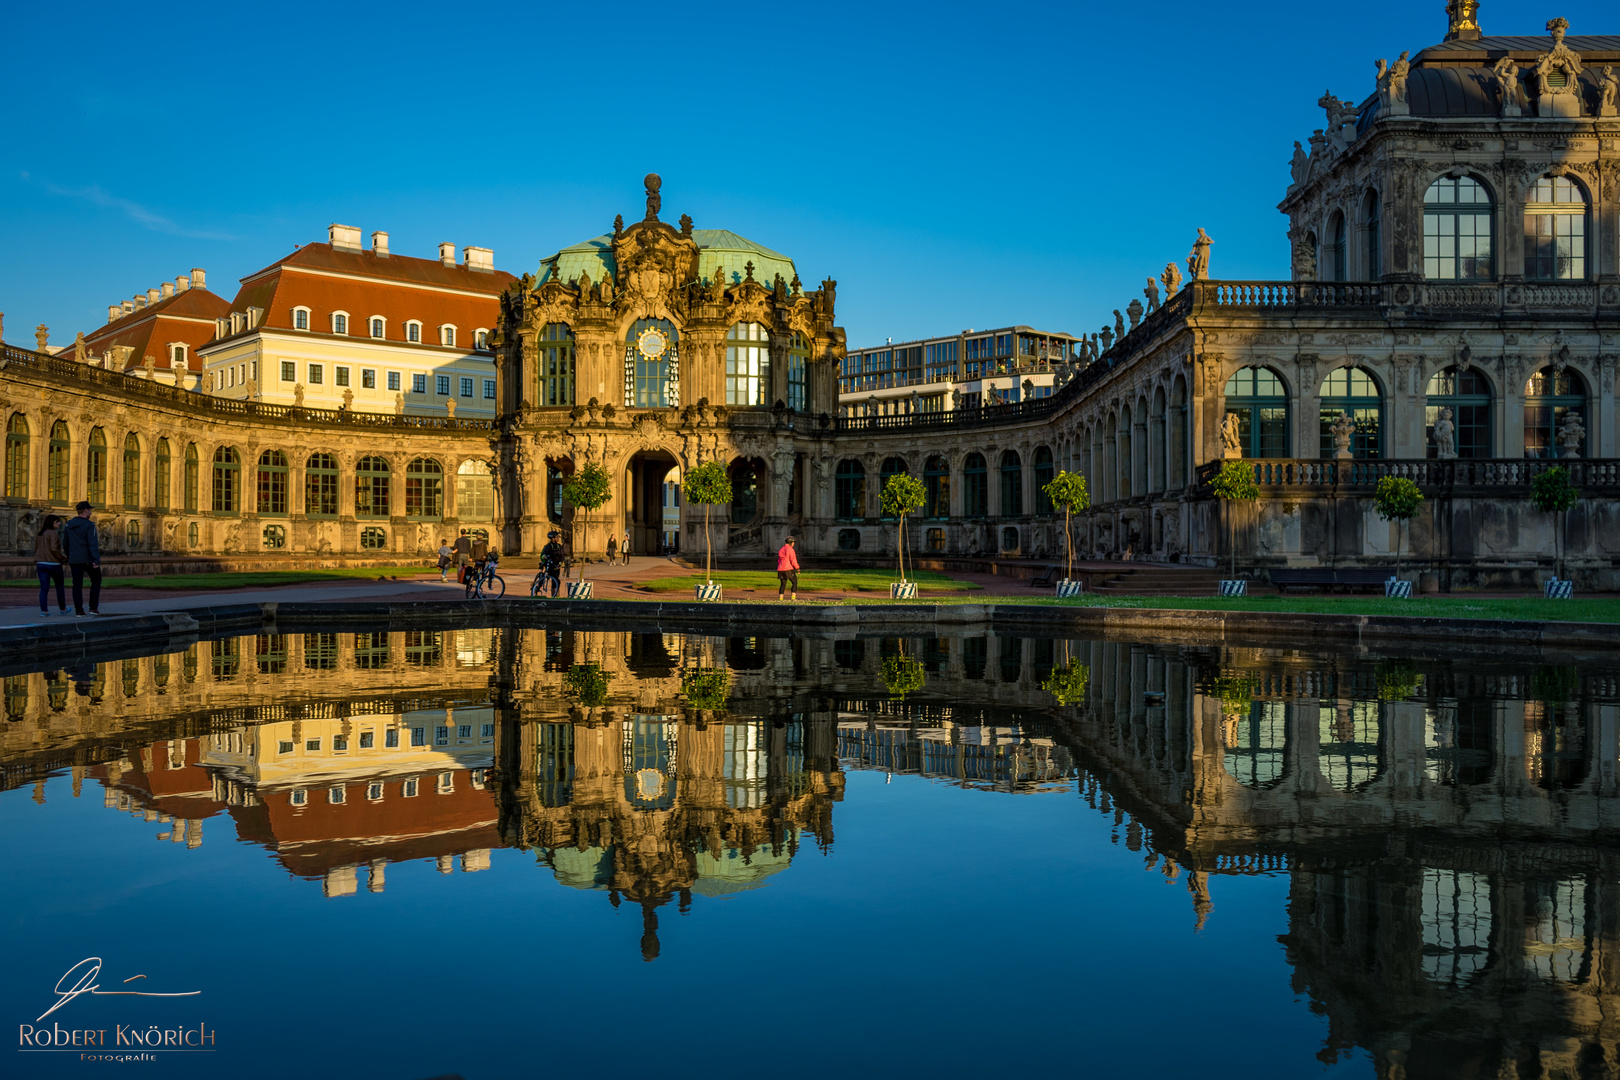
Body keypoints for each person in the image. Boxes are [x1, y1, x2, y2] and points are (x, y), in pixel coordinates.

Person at [61, 501, 102, 617]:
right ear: (85, 511)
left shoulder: (69, 524)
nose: (91, 512)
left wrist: (70, 556)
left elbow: (65, 543)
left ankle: (79, 610)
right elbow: (92, 544)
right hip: (88, 559)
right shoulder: (89, 525)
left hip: (74, 559)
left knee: (77, 585)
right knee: (96, 581)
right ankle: (93, 608)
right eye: (90, 510)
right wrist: (96, 560)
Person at [34, 513, 69, 617]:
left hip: (41, 563)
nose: (59, 524)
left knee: (44, 588)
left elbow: (37, 549)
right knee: (59, 587)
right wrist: (63, 559)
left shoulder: (40, 533)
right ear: (53, 522)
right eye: (58, 522)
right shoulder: (53, 533)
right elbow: (54, 549)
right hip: (53, 564)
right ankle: (63, 609)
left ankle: (44, 611)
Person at [539, 530, 567, 597]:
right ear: (553, 538)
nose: (558, 538)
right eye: (557, 537)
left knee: (556, 579)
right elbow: (544, 553)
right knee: (556, 580)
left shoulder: (559, 546)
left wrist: (560, 563)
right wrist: (544, 556)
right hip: (550, 564)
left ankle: (555, 594)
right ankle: (554, 594)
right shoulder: (548, 546)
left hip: (556, 565)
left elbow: (562, 555)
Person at [776, 536, 800, 601]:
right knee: (794, 582)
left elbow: (779, 560)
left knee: (783, 584)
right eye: (793, 542)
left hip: (780, 569)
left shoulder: (781, 549)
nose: (794, 543)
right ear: (791, 542)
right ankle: (793, 598)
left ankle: (781, 598)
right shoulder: (790, 549)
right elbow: (793, 560)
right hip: (788, 569)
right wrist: (797, 567)